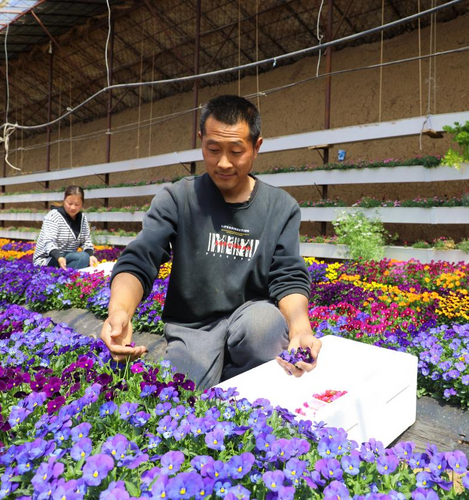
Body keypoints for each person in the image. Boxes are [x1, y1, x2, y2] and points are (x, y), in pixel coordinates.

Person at [101, 94, 321, 390]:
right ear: (201, 139)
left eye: (236, 151)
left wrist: (301, 329)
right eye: (213, 149)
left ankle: (243, 382)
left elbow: (289, 275)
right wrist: (120, 312)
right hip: (194, 327)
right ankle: (218, 373)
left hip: (252, 320)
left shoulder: (280, 207)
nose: (224, 163)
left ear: (256, 147)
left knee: (263, 327)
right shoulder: (178, 199)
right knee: (182, 393)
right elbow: (141, 258)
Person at [33, 185, 99, 270]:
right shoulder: (53, 216)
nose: (73, 207)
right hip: (47, 259)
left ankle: (65, 276)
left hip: (67, 258)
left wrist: (90, 255)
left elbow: (86, 241)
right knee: (82, 258)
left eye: (77, 204)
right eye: (70, 203)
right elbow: (49, 242)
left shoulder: (83, 218)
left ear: (82, 204)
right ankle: (63, 277)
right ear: (64, 201)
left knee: (85, 258)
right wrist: (59, 257)